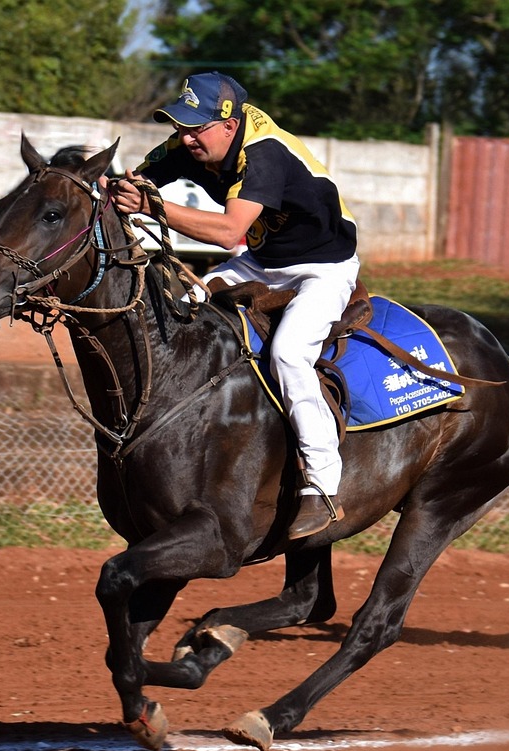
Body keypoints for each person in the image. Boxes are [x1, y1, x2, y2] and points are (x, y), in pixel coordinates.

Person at [107, 72, 361, 539]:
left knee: (288, 352)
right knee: (184, 304)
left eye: (196, 128)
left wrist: (151, 207)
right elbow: (136, 179)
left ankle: (324, 486)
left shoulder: (264, 153)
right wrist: (113, 188)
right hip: (262, 262)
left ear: (229, 124)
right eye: (181, 125)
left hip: (322, 269)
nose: (185, 137)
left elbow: (228, 231)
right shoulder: (192, 141)